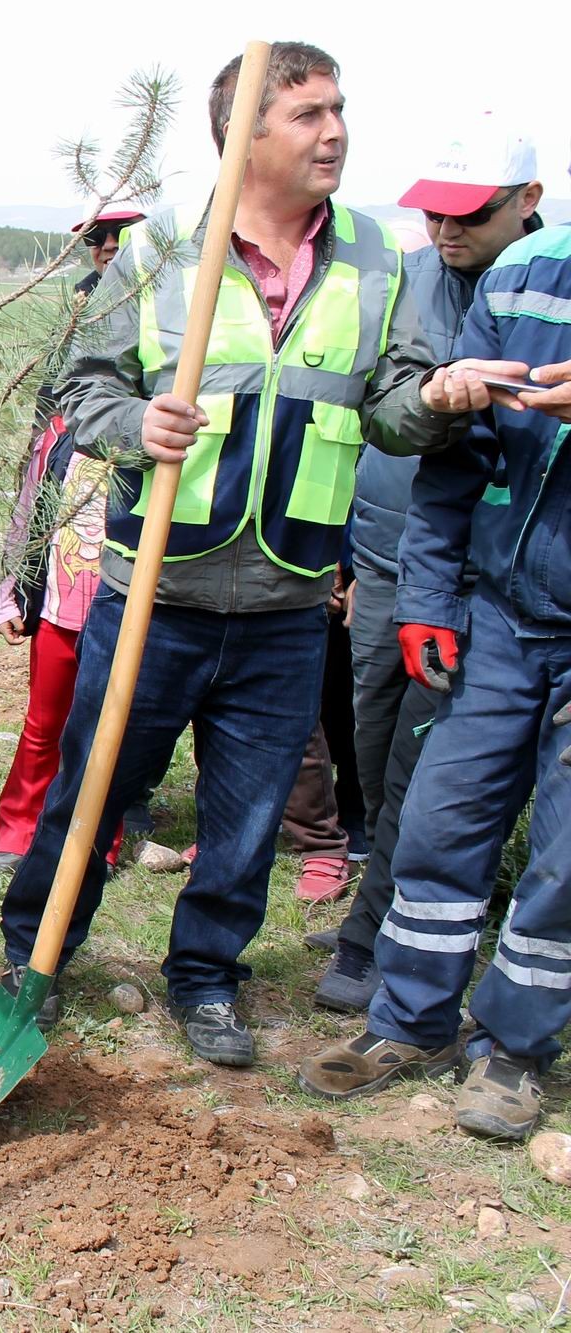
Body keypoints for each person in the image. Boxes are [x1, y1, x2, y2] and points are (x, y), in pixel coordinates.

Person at [0, 43, 471, 1066]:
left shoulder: (374, 257)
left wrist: (431, 402)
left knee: (248, 816)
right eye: (305, 114)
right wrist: (132, 425)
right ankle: (29, 953)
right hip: (155, 592)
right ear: (240, 136)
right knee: (93, 789)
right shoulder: (161, 248)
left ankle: (205, 977)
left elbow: (390, 410)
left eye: (337, 108)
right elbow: (79, 389)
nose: (334, 130)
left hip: (287, 598)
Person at [298, 203, 571, 1141]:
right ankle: (409, 1022)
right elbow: (461, 462)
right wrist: (427, 596)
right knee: (440, 818)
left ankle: (515, 1052)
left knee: (565, 860)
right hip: (496, 616)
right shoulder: (528, 276)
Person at [313, 114, 547, 1011]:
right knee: (373, 752)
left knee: (425, 765)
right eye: (435, 216)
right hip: (381, 565)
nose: (447, 234)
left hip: (489, 587)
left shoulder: (544, 290)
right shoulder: (410, 280)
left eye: (470, 217)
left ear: (526, 202)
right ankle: (419, 894)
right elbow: (362, 414)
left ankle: (374, 935)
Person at [0, 202, 143, 873]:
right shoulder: (56, 434)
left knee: (105, 728)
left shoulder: (155, 434)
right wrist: (10, 590)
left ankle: (97, 838)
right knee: (44, 722)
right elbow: (27, 511)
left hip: (124, 601)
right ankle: (18, 828)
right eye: (97, 239)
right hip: (58, 604)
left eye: (121, 239)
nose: (108, 248)